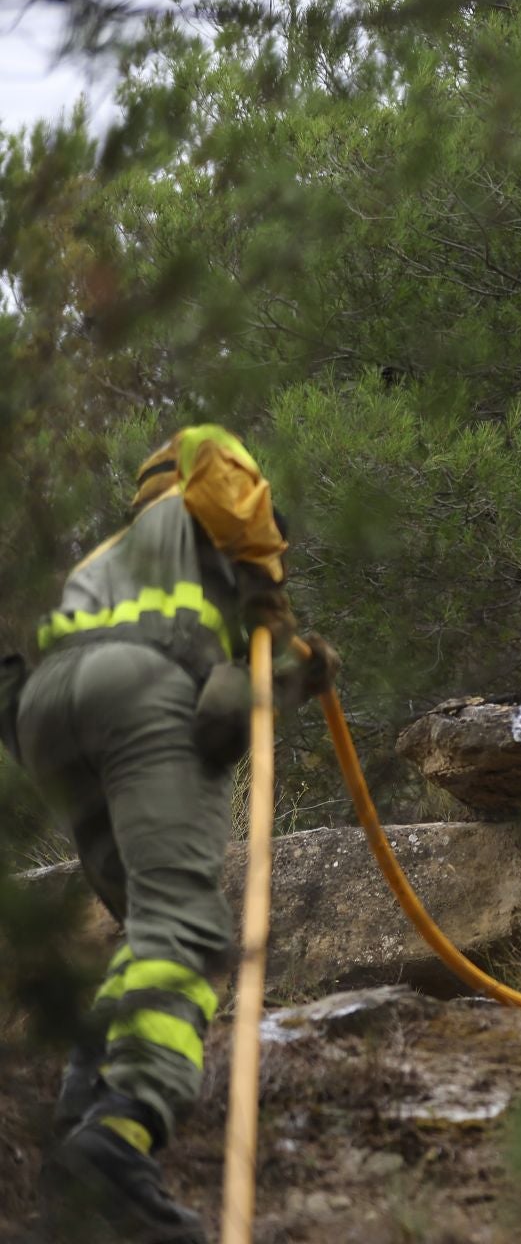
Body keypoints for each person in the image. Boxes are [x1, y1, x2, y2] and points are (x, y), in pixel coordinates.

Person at [12, 424, 336, 1243]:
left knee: (147, 930)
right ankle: (123, 1137)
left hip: (47, 715)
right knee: (186, 929)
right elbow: (228, 698)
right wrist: (287, 641)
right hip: (142, 689)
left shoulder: (104, 557)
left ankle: (80, 1150)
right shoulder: (215, 518)